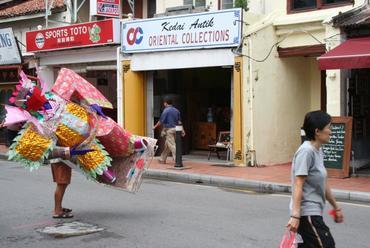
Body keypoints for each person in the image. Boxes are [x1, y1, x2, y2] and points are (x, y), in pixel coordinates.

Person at [287, 111, 344, 248]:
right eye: (329, 127)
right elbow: (298, 183)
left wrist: (336, 207)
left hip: (313, 213)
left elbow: (323, 184)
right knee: (327, 245)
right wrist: (295, 216)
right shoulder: (306, 152)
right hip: (308, 214)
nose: (331, 132)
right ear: (317, 131)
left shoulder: (317, 151)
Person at [153, 96, 185, 163]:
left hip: (169, 130)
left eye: (164, 103)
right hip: (176, 130)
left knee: (172, 145)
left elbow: (161, 121)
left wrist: (154, 127)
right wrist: (182, 130)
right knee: (167, 145)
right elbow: (179, 122)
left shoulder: (166, 111)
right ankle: (162, 159)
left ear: (165, 103)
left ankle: (177, 159)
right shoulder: (177, 110)